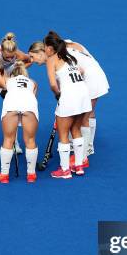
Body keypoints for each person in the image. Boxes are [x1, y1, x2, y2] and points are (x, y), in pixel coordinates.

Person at [29, 34, 108, 158]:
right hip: (94, 75)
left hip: (90, 78)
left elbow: (59, 85)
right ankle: (86, 146)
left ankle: (84, 153)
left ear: (42, 52)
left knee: (83, 118)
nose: (32, 61)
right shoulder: (63, 47)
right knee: (88, 113)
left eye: (32, 57)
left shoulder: (56, 59)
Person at [41, 31, 91, 178]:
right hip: (83, 96)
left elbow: (52, 84)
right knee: (76, 129)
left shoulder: (51, 59)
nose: (44, 50)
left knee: (63, 133)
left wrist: (58, 95)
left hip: (69, 97)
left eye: (45, 47)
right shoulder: (71, 57)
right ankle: (79, 166)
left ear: (50, 48)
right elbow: (81, 72)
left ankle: (65, 170)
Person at [0, 33, 32, 156]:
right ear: (1, 51)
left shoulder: (18, 54)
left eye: (12, 57)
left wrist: (18, 71)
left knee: (12, 108)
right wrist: (7, 81)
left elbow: (30, 60)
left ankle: (14, 142)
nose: (10, 59)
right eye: (7, 57)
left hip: (10, 73)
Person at [0, 61, 39, 183]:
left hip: (11, 104)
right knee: (30, 140)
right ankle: (31, 175)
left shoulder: (8, 80)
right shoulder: (33, 83)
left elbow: (2, 91)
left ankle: (4, 175)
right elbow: (33, 97)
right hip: (29, 105)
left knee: (8, 139)